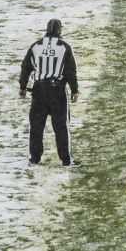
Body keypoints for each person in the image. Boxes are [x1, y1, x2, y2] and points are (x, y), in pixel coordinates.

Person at [20, 19, 80, 167]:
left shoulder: (36, 46)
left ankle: (34, 159)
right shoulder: (64, 47)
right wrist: (74, 89)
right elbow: (70, 70)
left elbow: (26, 67)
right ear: (60, 30)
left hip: (39, 90)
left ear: (47, 29)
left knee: (36, 126)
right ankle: (66, 160)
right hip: (57, 90)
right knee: (61, 127)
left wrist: (22, 86)